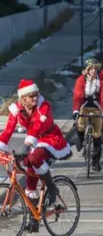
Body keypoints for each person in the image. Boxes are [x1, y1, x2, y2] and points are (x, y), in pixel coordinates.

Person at [0, 79, 71, 208]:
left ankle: (52, 188)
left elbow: (37, 124)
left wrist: (29, 141)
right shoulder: (17, 110)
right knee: (27, 166)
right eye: (31, 96)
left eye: (36, 94)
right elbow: (9, 129)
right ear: (23, 98)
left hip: (51, 138)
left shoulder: (43, 106)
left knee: (34, 158)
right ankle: (34, 215)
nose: (35, 98)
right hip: (34, 139)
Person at [72, 58, 103, 172]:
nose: (93, 71)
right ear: (87, 70)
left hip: (97, 106)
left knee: (97, 133)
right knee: (81, 123)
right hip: (84, 105)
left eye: (95, 69)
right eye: (91, 69)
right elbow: (77, 97)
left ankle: (95, 161)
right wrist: (76, 110)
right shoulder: (81, 80)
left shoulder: (101, 80)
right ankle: (80, 139)